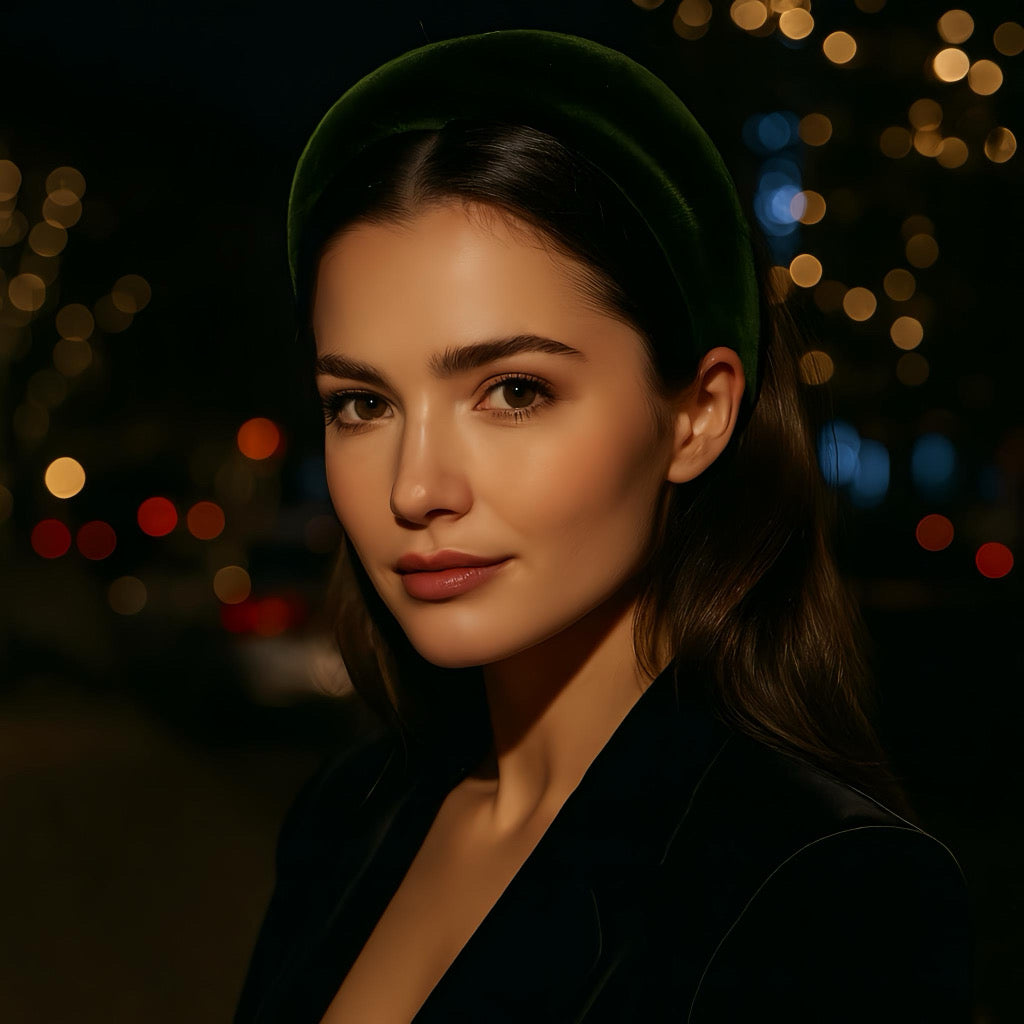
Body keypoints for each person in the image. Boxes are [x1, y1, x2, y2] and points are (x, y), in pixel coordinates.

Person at [233, 29, 973, 1023]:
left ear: (698, 413)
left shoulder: (818, 891)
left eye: (513, 389)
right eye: (362, 403)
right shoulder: (347, 815)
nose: (416, 487)